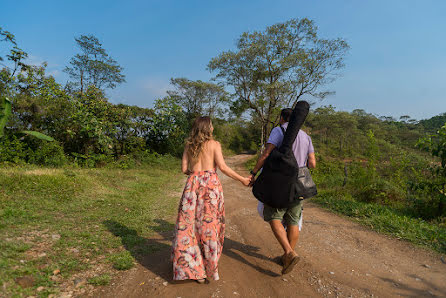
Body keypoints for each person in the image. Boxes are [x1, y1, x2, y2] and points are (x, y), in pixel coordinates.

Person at [171, 116, 251, 284]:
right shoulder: (215, 145)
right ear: (208, 128)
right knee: (208, 226)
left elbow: (184, 169)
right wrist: (242, 179)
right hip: (210, 187)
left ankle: (195, 270)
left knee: (188, 226)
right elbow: (222, 167)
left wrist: (195, 174)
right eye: (212, 126)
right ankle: (209, 267)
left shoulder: (188, 145)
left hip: (192, 185)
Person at [249, 108, 316, 274]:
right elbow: (312, 163)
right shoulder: (306, 136)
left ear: (281, 118)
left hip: (279, 183)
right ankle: (287, 257)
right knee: (293, 220)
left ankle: (289, 253)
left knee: (273, 216)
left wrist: (253, 173)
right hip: (298, 184)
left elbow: (266, 154)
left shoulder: (279, 131)